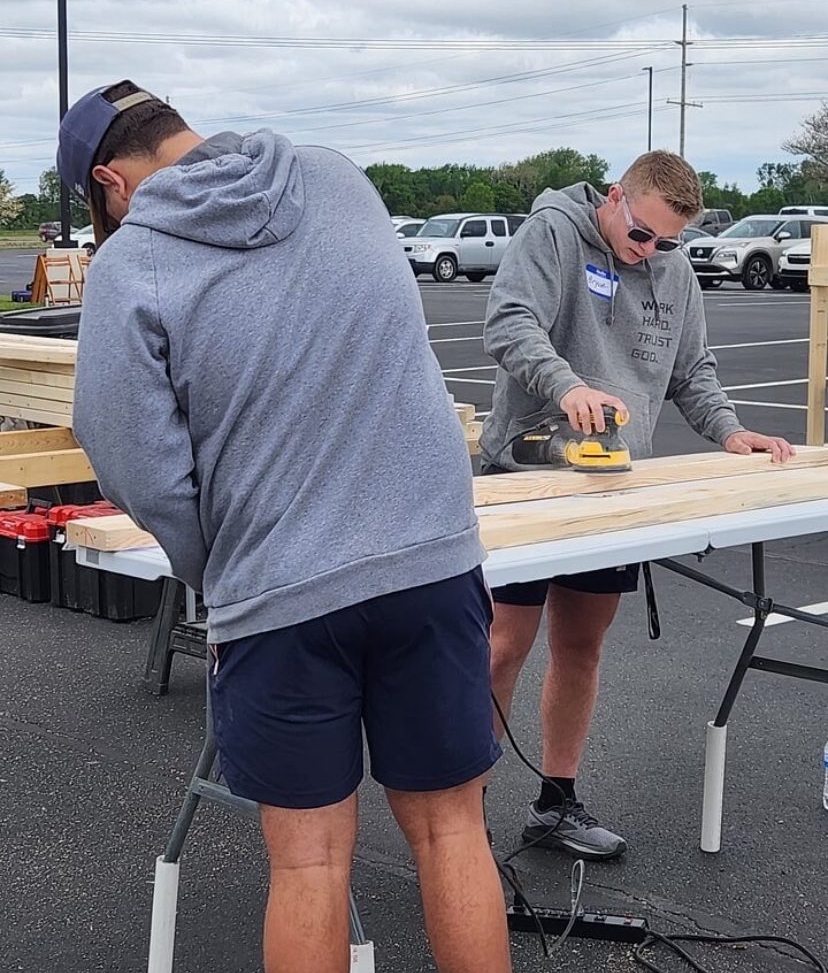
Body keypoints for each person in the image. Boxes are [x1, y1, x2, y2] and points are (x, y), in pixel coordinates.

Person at [57, 81, 512, 973]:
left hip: (281, 588)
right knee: (454, 832)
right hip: (429, 561)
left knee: (309, 862)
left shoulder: (132, 264)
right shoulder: (337, 178)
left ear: (112, 181)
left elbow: (132, 459)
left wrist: (216, 564)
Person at [479, 150, 793, 861]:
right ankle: (463, 810)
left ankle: (555, 805)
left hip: (615, 482)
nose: (649, 250)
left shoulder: (673, 270)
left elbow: (691, 371)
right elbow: (509, 323)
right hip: (526, 471)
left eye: (667, 241)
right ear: (616, 196)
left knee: (581, 648)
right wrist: (567, 387)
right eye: (641, 234)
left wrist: (731, 430)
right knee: (501, 647)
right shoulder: (554, 234)